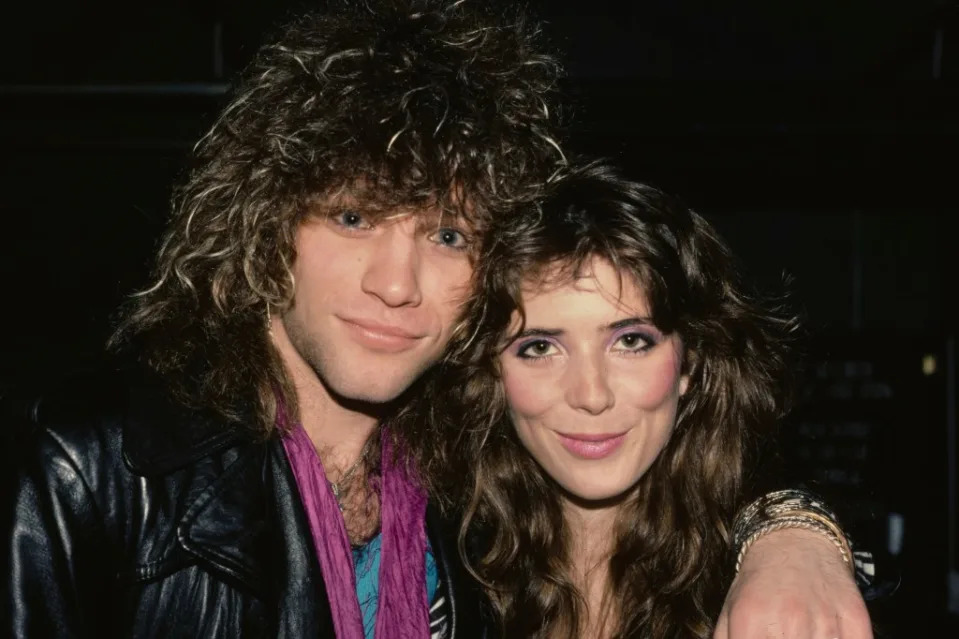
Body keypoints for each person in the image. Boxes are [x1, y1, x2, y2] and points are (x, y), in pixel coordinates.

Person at [1, 2, 873, 638]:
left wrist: (790, 531)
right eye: (352, 217)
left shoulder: (470, 485)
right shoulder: (103, 465)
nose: (396, 282)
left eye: (447, 234)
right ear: (267, 227)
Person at [420, 160, 874, 638]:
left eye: (631, 341)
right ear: (491, 373)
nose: (591, 395)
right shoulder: (438, 578)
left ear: (689, 365)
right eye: (540, 348)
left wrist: (794, 537)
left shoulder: (766, 597)